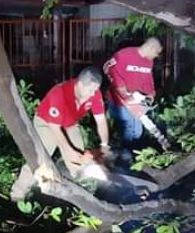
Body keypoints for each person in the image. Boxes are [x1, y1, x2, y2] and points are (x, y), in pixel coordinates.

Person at [10, 67, 110, 201]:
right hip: (47, 123)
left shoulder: (95, 93)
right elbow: (54, 127)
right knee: (41, 158)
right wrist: (67, 150)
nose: (93, 94)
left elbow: (101, 121)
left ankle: (77, 189)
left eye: (95, 90)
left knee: (78, 155)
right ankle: (18, 194)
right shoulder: (60, 93)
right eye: (90, 90)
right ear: (79, 84)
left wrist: (104, 145)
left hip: (69, 123)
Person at [103, 37, 170, 157]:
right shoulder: (125, 54)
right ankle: (126, 160)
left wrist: (150, 94)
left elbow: (148, 80)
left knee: (138, 132)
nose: (156, 56)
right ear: (151, 48)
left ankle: (130, 157)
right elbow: (107, 67)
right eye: (157, 53)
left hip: (134, 102)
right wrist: (121, 86)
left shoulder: (148, 61)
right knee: (129, 131)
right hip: (119, 101)